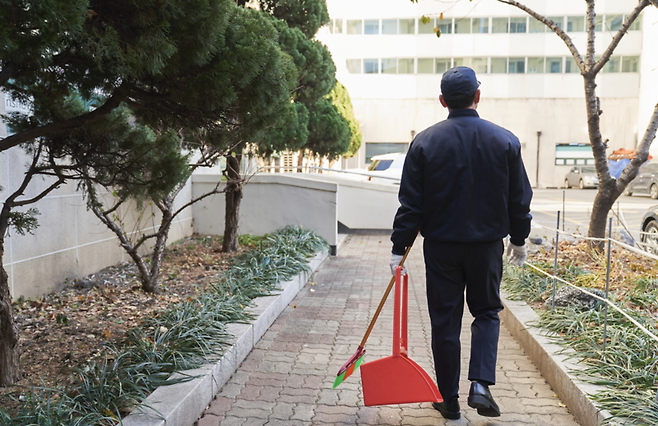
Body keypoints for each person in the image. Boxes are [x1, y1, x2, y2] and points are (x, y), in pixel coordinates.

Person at [389, 66, 533, 419]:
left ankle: (449, 400)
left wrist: (398, 248)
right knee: (486, 312)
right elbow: (519, 199)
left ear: (443, 101)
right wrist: (519, 239)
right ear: (477, 97)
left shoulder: (424, 142)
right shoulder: (505, 141)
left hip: (441, 248)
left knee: (445, 320)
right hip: (486, 247)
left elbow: (411, 204)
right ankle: (481, 384)